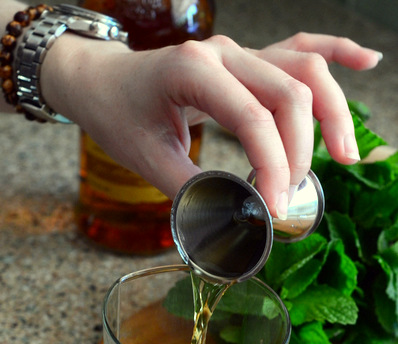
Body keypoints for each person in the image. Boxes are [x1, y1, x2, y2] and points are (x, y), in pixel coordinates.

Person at [1, 1, 382, 220]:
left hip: (161, 223)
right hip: (101, 212)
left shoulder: (189, 8)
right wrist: (80, 66)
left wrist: (62, 65)